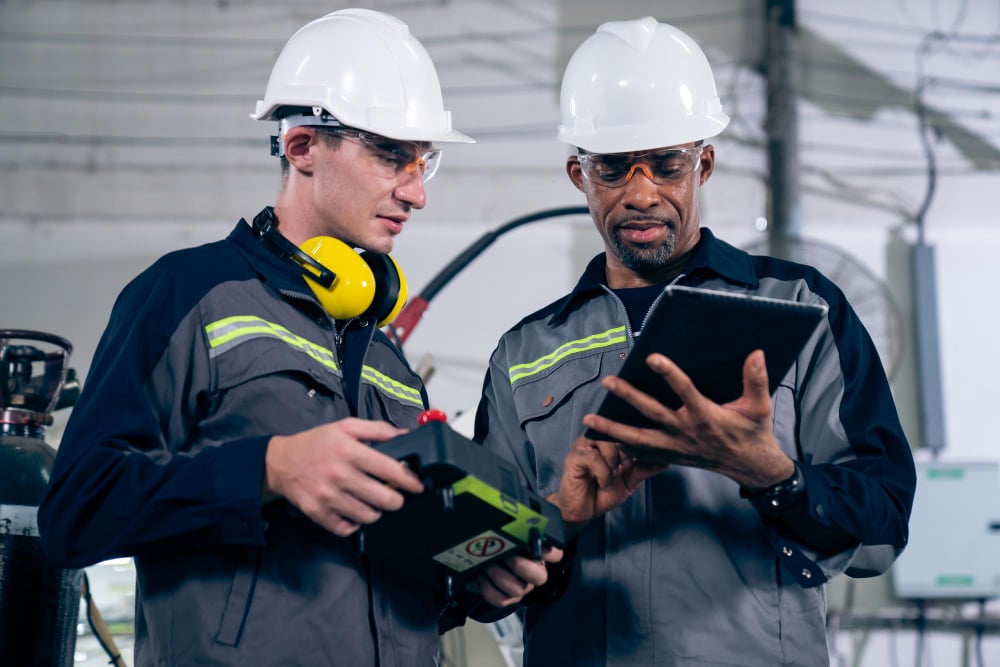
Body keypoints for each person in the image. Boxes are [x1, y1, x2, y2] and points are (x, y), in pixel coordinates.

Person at [37, 8, 556, 666]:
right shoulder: (187, 296)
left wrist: (476, 580)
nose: (417, 193)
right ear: (303, 146)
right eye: (392, 156)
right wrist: (268, 469)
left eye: (426, 163)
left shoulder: (391, 365)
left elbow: (389, 578)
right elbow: (75, 512)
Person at [473, 16, 916, 667]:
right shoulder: (523, 354)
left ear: (702, 164)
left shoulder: (803, 309)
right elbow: (476, 579)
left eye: (667, 165)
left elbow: (883, 523)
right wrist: (558, 518)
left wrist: (773, 476)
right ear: (578, 175)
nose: (642, 192)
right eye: (615, 169)